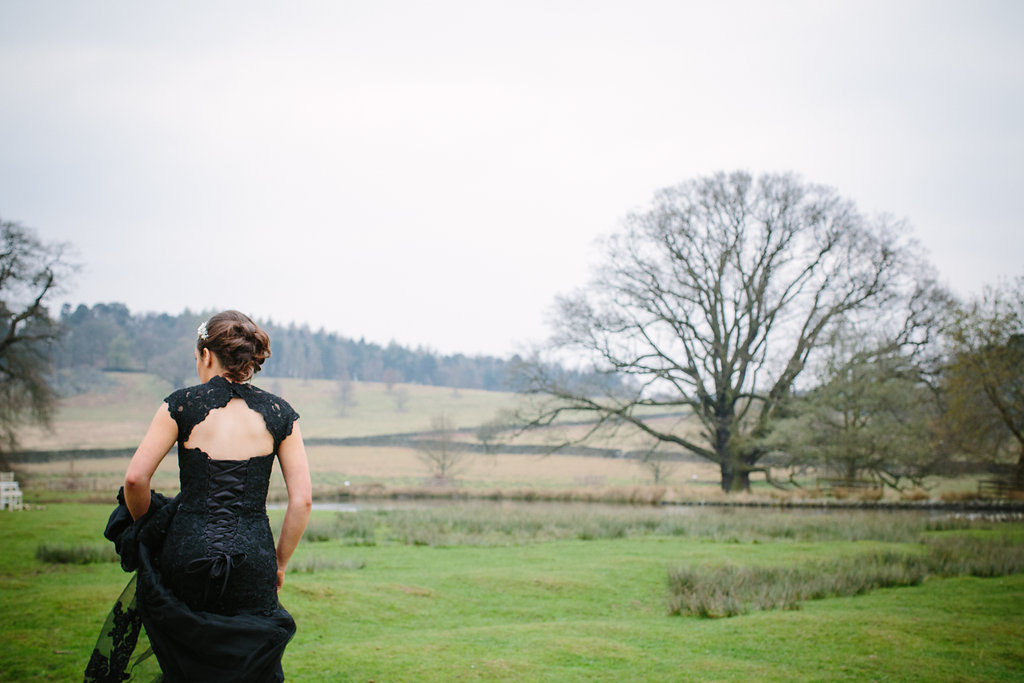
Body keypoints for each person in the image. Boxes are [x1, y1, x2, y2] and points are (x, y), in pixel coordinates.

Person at [85, 311, 312, 683]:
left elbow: (136, 478)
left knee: (185, 671)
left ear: (206, 355)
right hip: (253, 558)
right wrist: (280, 563)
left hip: (185, 554)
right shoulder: (279, 414)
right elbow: (301, 500)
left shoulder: (181, 405)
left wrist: (145, 529)